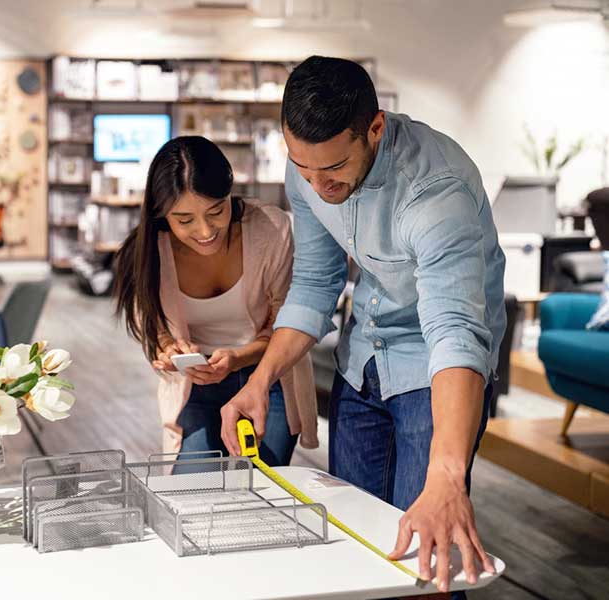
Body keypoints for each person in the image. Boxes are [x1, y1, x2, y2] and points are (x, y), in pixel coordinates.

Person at [219, 56, 506, 597]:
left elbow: (456, 334)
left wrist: (447, 476)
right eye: (303, 170)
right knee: (352, 543)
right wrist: (258, 382)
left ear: (375, 127)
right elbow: (313, 285)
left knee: (426, 552)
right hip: (363, 359)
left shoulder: (435, 192)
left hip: (435, 368)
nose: (316, 185)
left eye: (332, 170)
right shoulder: (307, 166)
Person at [113, 136, 318, 468]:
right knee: (194, 494)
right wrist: (168, 349)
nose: (206, 230)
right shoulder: (149, 250)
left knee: (259, 488)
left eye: (216, 211)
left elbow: (287, 322)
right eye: (185, 220)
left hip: (268, 379)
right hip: (194, 386)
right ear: (162, 213)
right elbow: (149, 323)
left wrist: (239, 358)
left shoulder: (270, 229)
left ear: (229, 192)